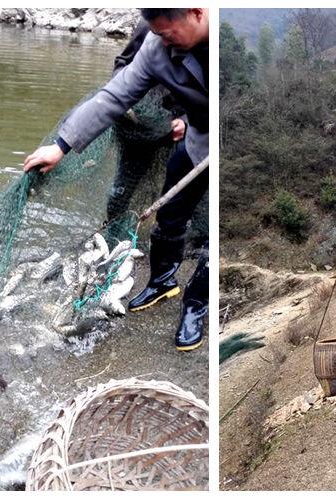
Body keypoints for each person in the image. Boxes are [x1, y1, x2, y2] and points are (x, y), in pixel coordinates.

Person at [24, 8, 209, 352]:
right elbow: (113, 96)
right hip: (198, 142)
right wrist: (61, 146)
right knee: (169, 212)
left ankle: (195, 306)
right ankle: (163, 280)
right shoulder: (157, 46)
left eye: (168, 34)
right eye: (158, 35)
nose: (163, 42)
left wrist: (188, 118)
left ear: (196, 13)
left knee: (214, 236)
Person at [104, 19, 186, 244]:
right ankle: (112, 233)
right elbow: (123, 63)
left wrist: (185, 121)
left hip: (175, 128)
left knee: (179, 188)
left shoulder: (202, 39)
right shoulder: (151, 25)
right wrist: (127, 98)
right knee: (122, 188)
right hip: (140, 127)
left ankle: (171, 237)